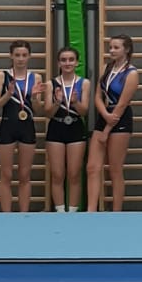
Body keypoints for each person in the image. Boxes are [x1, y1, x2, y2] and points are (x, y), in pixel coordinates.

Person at [86, 35, 139, 213]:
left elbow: (123, 104)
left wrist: (107, 129)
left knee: (115, 169)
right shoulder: (106, 68)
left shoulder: (131, 73)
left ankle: (117, 212)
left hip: (120, 118)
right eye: (110, 47)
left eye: (116, 47)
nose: (112, 51)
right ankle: (91, 210)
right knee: (92, 167)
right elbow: (97, 96)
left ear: (127, 50)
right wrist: (104, 115)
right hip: (105, 115)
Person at [0, 39, 40, 214]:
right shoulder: (2, 76)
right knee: (6, 175)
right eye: (17, 55)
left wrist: (34, 98)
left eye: (24, 55)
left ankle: (23, 216)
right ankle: (7, 216)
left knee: (25, 176)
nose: (20, 59)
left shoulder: (35, 77)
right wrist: (8, 94)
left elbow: (39, 110)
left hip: (27, 128)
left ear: (29, 56)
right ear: (11, 56)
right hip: (7, 127)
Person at [42, 46, 90, 212]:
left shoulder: (84, 83)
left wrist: (75, 102)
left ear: (77, 62)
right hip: (56, 127)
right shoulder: (51, 84)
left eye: (71, 59)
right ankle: (61, 212)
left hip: (76, 127)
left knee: (74, 174)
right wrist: (57, 102)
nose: (67, 63)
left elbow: (84, 112)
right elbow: (48, 113)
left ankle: (73, 213)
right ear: (58, 63)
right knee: (57, 174)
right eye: (63, 60)